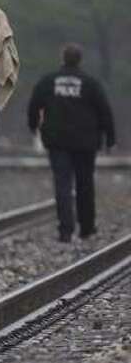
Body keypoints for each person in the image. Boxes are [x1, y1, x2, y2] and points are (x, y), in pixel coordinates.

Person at [27, 44, 117, 242]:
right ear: (80, 59)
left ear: (63, 58)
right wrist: (110, 138)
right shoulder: (90, 83)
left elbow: (34, 104)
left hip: (57, 142)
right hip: (86, 143)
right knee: (85, 184)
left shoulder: (49, 81)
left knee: (62, 185)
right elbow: (104, 111)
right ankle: (86, 227)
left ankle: (65, 230)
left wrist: (33, 126)